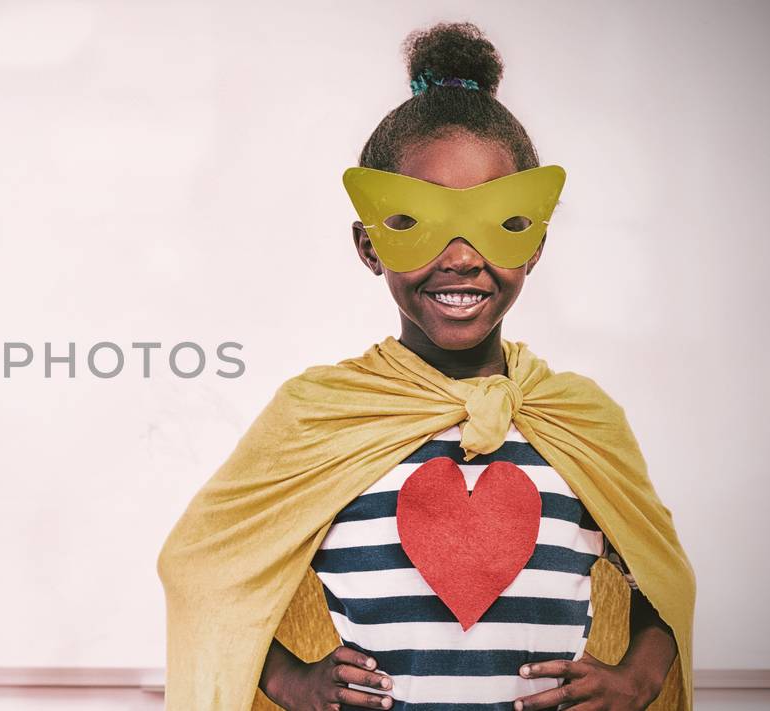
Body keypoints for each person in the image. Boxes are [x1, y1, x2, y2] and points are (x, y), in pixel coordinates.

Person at [157, 22, 694, 711]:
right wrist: (289, 676)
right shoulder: (320, 414)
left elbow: (660, 578)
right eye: (420, 224)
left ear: (535, 245)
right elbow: (200, 565)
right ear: (369, 245)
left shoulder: (579, 419)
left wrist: (639, 678)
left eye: (498, 225)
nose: (462, 258)